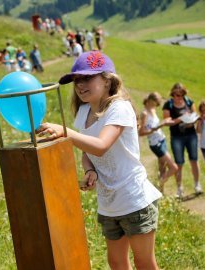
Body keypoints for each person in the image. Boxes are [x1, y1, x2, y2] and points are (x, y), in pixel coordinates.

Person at [36, 51, 162, 270]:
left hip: (134, 199)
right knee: (116, 262)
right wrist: (89, 171)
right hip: (109, 204)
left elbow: (101, 146)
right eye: (77, 80)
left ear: (106, 80)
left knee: (144, 263)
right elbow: (88, 151)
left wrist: (65, 132)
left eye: (87, 78)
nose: (80, 85)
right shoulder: (83, 112)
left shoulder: (119, 108)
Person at [162, 83, 202, 198]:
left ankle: (197, 185)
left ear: (183, 94)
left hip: (191, 135)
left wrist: (191, 120)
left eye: (180, 95)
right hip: (177, 137)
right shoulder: (168, 104)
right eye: (175, 94)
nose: (177, 97)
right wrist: (180, 119)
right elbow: (166, 121)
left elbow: (195, 116)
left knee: (194, 160)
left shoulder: (189, 102)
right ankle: (179, 188)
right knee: (179, 163)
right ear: (172, 94)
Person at [139, 92, 178, 193]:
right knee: (174, 168)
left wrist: (164, 122)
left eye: (156, 104)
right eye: (154, 103)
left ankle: (160, 192)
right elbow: (141, 132)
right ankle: (156, 186)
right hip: (156, 144)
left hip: (161, 140)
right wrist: (156, 128)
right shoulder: (144, 114)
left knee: (162, 168)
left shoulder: (153, 109)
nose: (155, 105)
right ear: (149, 101)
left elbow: (155, 124)